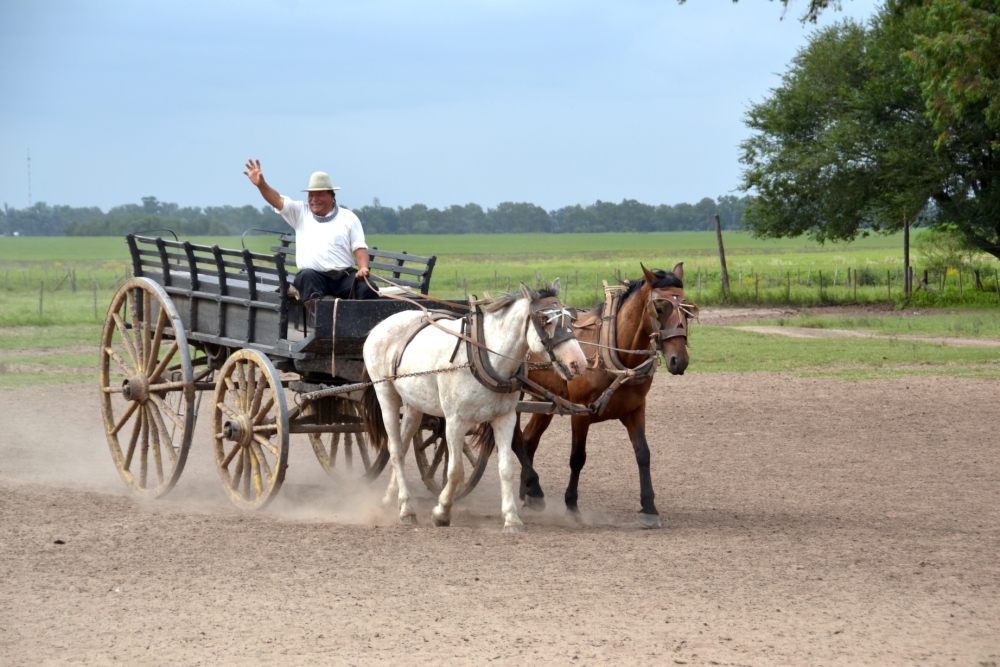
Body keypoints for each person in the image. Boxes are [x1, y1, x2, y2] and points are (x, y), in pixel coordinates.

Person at [243, 159, 379, 309]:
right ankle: (322, 326)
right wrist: (261, 184)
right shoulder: (300, 212)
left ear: (332, 196)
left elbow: (359, 247)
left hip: (343, 276)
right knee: (307, 277)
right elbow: (277, 200)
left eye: (319, 194)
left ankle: (360, 328)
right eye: (311, 195)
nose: (314, 199)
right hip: (314, 277)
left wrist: (363, 268)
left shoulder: (349, 218)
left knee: (368, 288)